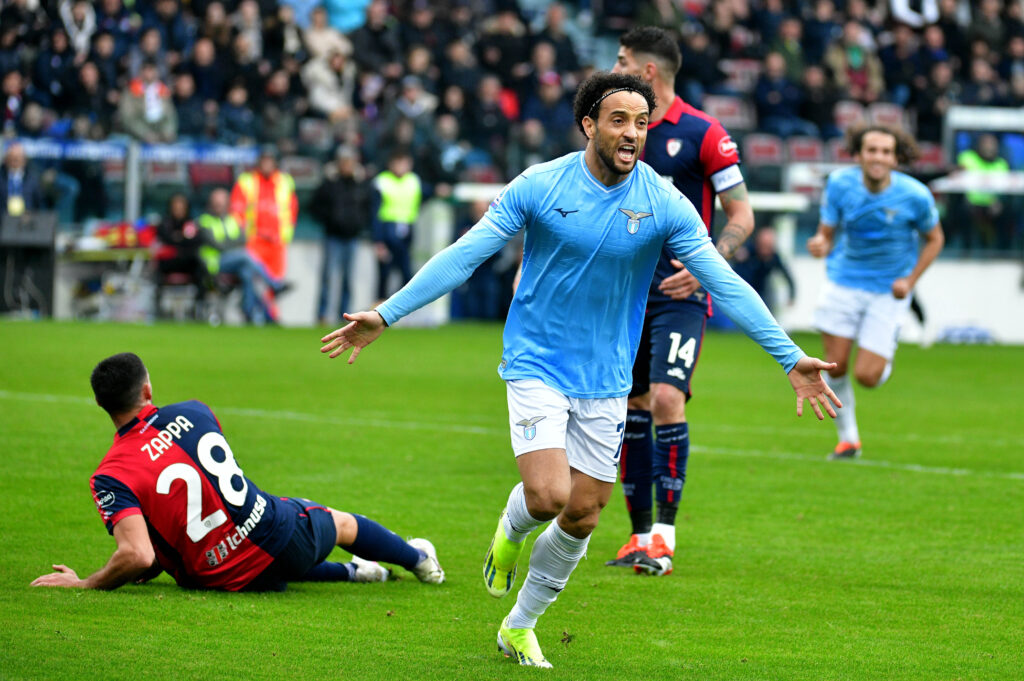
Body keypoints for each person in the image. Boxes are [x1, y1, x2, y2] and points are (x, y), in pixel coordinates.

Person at [320, 71, 839, 668]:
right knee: (547, 496)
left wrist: (788, 355)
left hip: (608, 378)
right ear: (589, 124)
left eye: (641, 123)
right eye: (619, 120)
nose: (632, 133)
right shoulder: (541, 184)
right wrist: (387, 314)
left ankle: (519, 625)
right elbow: (466, 254)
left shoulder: (663, 201)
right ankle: (512, 530)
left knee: (584, 512)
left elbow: (724, 281)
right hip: (537, 362)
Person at [31, 352, 444, 592]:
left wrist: (98, 579)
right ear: (147, 390)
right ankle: (422, 561)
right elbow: (141, 555)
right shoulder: (195, 411)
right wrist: (92, 583)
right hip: (276, 537)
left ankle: (356, 572)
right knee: (338, 523)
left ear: (102, 405)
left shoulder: (110, 474)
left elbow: (142, 554)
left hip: (213, 576)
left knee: (263, 557)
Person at [607, 26, 756, 577]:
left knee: (668, 398)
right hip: (624, 294)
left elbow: (742, 214)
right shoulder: (617, 129)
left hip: (680, 295)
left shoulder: (704, 133)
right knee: (631, 405)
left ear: (647, 71)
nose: (614, 68)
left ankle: (664, 540)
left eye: (622, 60)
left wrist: (705, 266)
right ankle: (637, 535)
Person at [807, 124, 944, 460]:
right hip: (843, 283)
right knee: (834, 366)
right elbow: (827, 233)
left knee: (868, 376)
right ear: (858, 154)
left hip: (888, 291)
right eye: (871, 150)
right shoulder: (839, 184)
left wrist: (910, 281)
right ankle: (848, 440)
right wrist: (821, 243)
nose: (878, 157)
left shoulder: (915, 195)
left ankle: (886, 348)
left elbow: (935, 239)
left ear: (896, 158)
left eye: (885, 152)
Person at [198, 188, 290, 324]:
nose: (219, 206)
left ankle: (248, 313)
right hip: (215, 264)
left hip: (234, 263)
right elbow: (219, 245)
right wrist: (232, 243)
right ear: (210, 204)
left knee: (246, 272)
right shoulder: (204, 221)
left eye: (221, 203)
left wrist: (229, 243)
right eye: (216, 203)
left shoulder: (232, 220)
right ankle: (273, 284)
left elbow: (242, 240)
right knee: (245, 256)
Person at [230, 146, 298, 322]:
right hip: (255, 240)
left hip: (276, 242)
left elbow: (292, 208)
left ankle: (269, 315)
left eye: (270, 160)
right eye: (264, 160)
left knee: (274, 281)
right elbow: (237, 210)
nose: (267, 164)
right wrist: (243, 234)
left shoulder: (285, 181)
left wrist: (286, 232)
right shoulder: (247, 181)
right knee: (253, 279)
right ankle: (253, 313)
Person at [313, 145, 370, 325]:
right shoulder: (329, 184)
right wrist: (330, 220)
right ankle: (322, 314)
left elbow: (367, 207)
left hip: (352, 236)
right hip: (333, 235)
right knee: (328, 277)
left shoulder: (360, 184)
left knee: (348, 279)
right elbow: (315, 206)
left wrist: (359, 224)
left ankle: (343, 315)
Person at [372, 148, 422, 301]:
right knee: (385, 273)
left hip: (407, 230)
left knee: (406, 272)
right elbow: (374, 211)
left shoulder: (413, 180)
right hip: (387, 229)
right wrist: (378, 240)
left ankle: (402, 305)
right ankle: (380, 306)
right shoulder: (382, 181)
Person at [734, 226, 796, 313]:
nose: (765, 250)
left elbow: (787, 276)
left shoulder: (774, 257)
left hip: (761, 292)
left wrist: (791, 296)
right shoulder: (748, 251)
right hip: (742, 289)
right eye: (763, 245)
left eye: (768, 246)